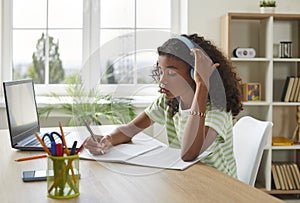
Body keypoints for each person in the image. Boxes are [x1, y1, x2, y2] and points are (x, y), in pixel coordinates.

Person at [84, 33, 243, 177]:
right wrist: (107, 139)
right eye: (161, 71)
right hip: (188, 178)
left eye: (172, 73)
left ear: (194, 73)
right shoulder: (169, 102)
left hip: (219, 184)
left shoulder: (218, 109)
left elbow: (189, 153)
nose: (162, 81)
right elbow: (130, 129)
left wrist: (202, 85)